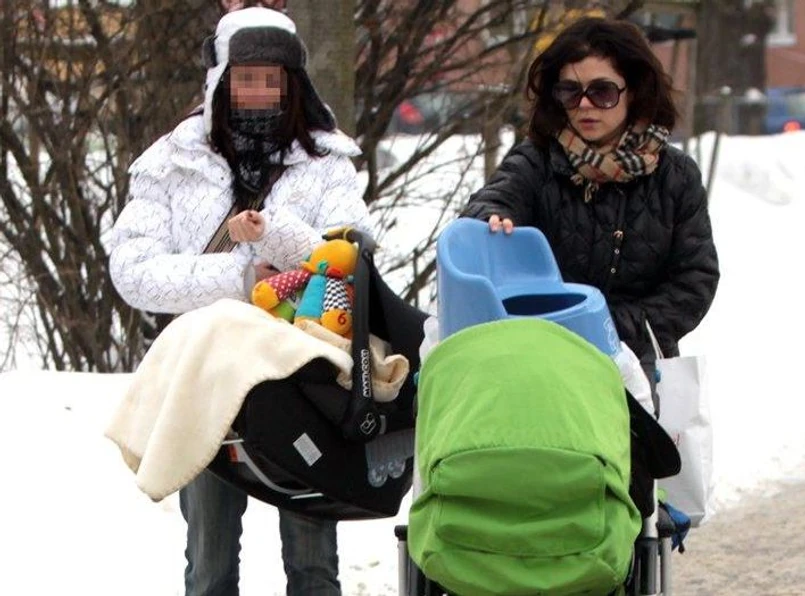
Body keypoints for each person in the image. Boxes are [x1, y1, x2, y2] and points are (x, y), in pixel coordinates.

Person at [104, 7, 373, 595]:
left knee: (313, 568)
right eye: (244, 77)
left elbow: (351, 257)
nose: (257, 91)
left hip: (303, 382)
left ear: (293, 83)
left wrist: (276, 238)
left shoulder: (328, 164)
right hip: (203, 382)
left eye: (271, 78)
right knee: (210, 566)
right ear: (219, 80)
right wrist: (243, 276)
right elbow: (133, 271)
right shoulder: (171, 163)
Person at [461, 17, 719, 516]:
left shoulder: (676, 177)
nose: (584, 105)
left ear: (633, 91)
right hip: (545, 357)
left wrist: (614, 328)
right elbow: (493, 201)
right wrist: (490, 219)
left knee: (631, 492)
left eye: (601, 92)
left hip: (634, 363)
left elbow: (696, 278)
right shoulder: (537, 161)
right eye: (570, 91)